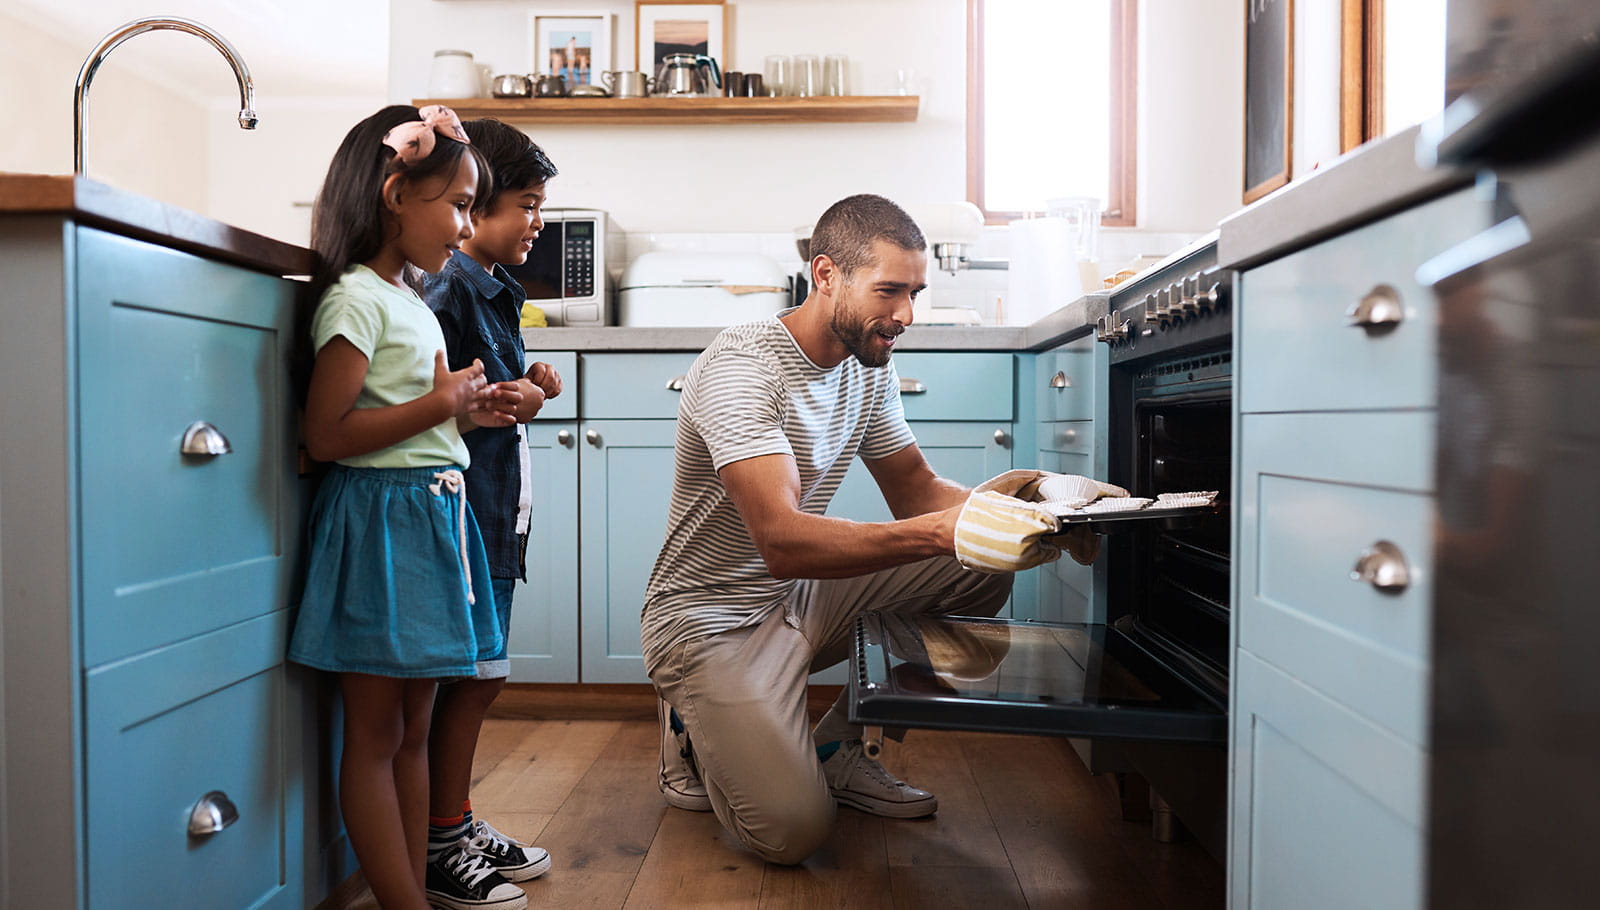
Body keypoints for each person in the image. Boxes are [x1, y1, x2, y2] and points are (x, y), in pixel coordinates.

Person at [641, 193, 1032, 865]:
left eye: (915, 292)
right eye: (889, 291)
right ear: (826, 276)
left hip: (796, 599)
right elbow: (783, 540)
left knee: (983, 559)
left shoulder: (866, 363)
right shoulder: (743, 369)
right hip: (708, 621)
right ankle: (689, 721)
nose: (906, 315)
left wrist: (1025, 513)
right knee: (793, 833)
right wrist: (947, 532)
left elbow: (916, 491)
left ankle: (842, 746)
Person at [286, 104, 528, 910]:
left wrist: (470, 409)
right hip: (385, 526)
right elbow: (328, 433)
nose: (465, 227)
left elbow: (413, 414)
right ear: (396, 192)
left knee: (414, 731)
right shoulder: (354, 299)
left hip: (429, 520)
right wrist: (440, 407)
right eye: (458, 204)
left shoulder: (409, 300)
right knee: (378, 733)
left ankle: (411, 886)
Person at [421, 118, 563, 908]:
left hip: (495, 512)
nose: (536, 223)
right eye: (528, 206)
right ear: (473, 210)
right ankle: (442, 839)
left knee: (480, 678)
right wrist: (525, 395)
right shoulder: (451, 290)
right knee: (471, 681)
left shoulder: (495, 290)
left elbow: (499, 398)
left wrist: (532, 382)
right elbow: (448, 404)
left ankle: (456, 819)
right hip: (467, 515)